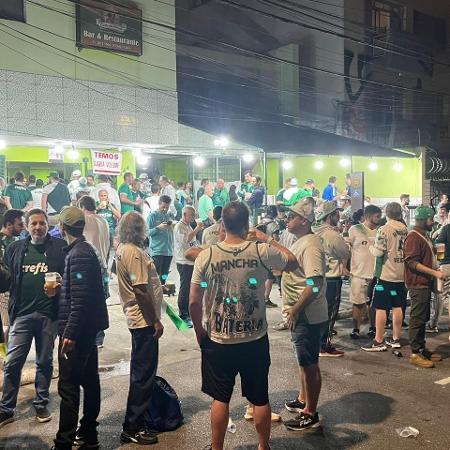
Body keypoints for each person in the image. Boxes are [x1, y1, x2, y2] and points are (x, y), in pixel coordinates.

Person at [189, 201, 297, 450]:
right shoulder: (261, 251)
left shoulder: (208, 255)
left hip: (219, 338)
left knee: (220, 398)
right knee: (259, 398)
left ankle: (217, 448)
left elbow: (194, 301)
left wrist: (199, 331)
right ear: (247, 224)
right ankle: (263, 446)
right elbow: (292, 261)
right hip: (254, 338)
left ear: (222, 225)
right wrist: (266, 238)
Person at [0, 209, 66, 427]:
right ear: (27, 226)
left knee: (44, 362)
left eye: (42, 223)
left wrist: (62, 283)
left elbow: (70, 277)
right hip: (21, 314)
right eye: (33, 223)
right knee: (13, 363)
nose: (38, 227)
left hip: (49, 315)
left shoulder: (59, 248)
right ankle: (7, 408)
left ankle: (41, 402)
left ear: (48, 225)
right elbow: (7, 278)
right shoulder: (15, 248)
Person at [52, 206, 109, 450]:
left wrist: (70, 334)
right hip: (86, 330)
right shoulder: (81, 251)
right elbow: (80, 290)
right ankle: (88, 434)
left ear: (63, 227)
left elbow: (82, 300)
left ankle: (65, 441)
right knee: (89, 381)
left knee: (69, 387)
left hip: (78, 333)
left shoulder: (79, 254)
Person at [115, 212, 164, 446]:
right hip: (143, 321)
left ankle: (139, 420)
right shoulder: (133, 253)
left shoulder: (125, 248)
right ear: (139, 229)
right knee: (143, 376)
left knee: (142, 373)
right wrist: (155, 320)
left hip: (138, 319)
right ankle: (132, 427)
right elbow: (141, 291)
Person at [281, 199, 328, 431]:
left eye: (292, 215)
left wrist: (296, 310)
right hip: (301, 313)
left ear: (304, 220)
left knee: (309, 363)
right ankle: (303, 400)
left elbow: (314, 283)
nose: (287, 218)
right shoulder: (301, 241)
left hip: (307, 315)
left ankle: (310, 412)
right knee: (303, 360)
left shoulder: (310, 245)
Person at [362, 202, 408, 352]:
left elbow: (379, 252)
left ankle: (378, 340)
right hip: (401, 274)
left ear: (387, 213)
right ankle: (396, 338)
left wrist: (370, 246)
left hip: (386, 275)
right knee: (397, 306)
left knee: (381, 307)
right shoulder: (405, 229)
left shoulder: (384, 229)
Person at [403, 206, 445, 369]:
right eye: (431, 219)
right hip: (418, 283)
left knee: (423, 315)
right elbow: (411, 262)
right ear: (424, 219)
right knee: (418, 317)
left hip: (424, 282)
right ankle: (415, 353)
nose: (432, 221)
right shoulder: (414, 237)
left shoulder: (423, 235)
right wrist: (434, 273)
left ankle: (421, 348)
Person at [313, 201, 350, 357]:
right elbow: (345, 252)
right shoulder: (332, 234)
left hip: (316, 277)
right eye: (337, 214)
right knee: (329, 313)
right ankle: (323, 345)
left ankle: (316, 343)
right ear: (330, 216)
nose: (339, 216)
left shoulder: (313, 232)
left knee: (317, 312)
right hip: (332, 278)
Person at [347, 205, 382, 339]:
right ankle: (356, 329)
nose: (379, 218)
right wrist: (344, 266)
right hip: (358, 274)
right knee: (358, 303)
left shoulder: (380, 231)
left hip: (376, 275)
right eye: (377, 216)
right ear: (368, 216)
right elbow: (346, 249)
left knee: (374, 304)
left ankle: (373, 328)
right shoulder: (355, 230)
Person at [174, 206, 204, 327]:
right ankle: (183, 314)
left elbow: (193, 242)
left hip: (191, 261)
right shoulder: (179, 227)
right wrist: (197, 228)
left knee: (191, 288)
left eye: (194, 215)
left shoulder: (188, 226)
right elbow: (186, 240)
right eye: (191, 215)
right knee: (185, 288)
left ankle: (189, 312)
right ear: (184, 214)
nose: (193, 217)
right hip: (183, 262)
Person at [0, 209, 25, 345]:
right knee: (6, 324)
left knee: (14, 323)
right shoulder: (2, 241)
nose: (23, 227)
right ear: (9, 224)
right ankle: (5, 357)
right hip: (5, 289)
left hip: (16, 288)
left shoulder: (18, 240)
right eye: (19, 224)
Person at [147, 195, 175, 287]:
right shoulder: (153, 216)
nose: (165, 209)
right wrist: (158, 228)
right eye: (163, 207)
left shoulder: (170, 215)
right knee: (155, 276)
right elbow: (147, 233)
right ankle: (155, 295)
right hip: (157, 251)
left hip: (169, 251)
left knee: (164, 275)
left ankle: (163, 289)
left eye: (167, 207)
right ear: (159, 204)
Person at [431, 213, 450, 333]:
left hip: (446, 265)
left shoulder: (447, 228)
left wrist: (440, 259)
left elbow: (439, 244)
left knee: (441, 295)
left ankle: (434, 324)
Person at [79, 196, 110, 268]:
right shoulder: (103, 220)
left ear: (83, 207)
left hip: (90, 265)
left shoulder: (86, 220)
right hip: (103, 263)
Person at [96, 189, 121, 257]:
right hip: (100, 231)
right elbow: (90, 215)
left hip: (111, 230)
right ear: (99, 197)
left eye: (105, 196)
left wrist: (110, 206)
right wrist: (98, 208)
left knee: (116, 247)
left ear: (107, 196)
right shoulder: (95, 205)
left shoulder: (111, 205)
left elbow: (119, 216)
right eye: (101, 196)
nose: (103, 197)